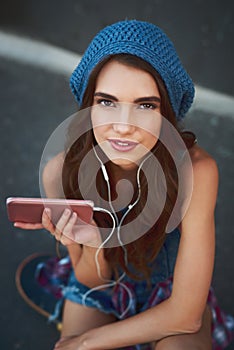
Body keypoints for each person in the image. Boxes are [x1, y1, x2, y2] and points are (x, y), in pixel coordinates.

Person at [14, 20, 234, 349]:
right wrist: (96, 243)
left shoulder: (196, 171)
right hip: (103, 289)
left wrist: (83, 342)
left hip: (171, 293)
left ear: (166, 113)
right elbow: (92, 280)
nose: (124, 126)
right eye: (107, 102)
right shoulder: (60, 171)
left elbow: (186, 315)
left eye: (145, 105)